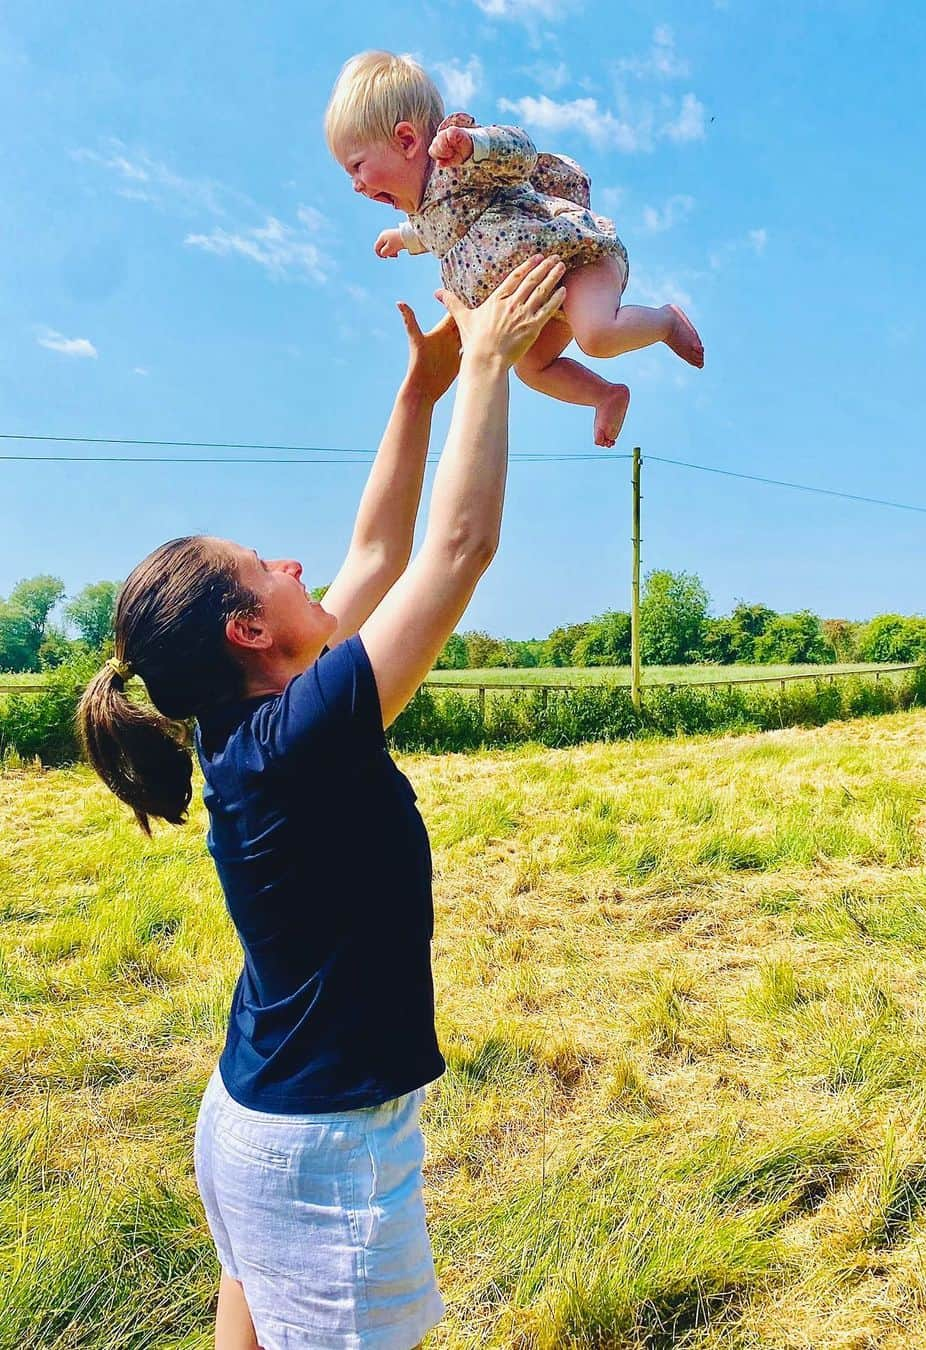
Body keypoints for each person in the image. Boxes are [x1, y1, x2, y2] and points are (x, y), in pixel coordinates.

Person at [76, 254, 567, 1350]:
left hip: (257, 1122)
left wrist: (421, 391)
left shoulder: (254, 724)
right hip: (323, 1153)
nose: (297, 563)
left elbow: (381, 549)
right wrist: (488, 361)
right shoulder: (296, 739)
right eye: (265, 567)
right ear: (248, 632)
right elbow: (457, 548)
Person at [324, 49, 705, 450]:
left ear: (406, 140)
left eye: (357, 166)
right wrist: (402, 238)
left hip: (577, 257)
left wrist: (474, 145)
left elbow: (520, 151)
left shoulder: (456, 160)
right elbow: (429, 232)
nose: (356, 185)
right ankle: (605, 395)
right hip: (546, 296)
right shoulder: (426, 216)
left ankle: (664, 322)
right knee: (531, 367)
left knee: (596, 336)